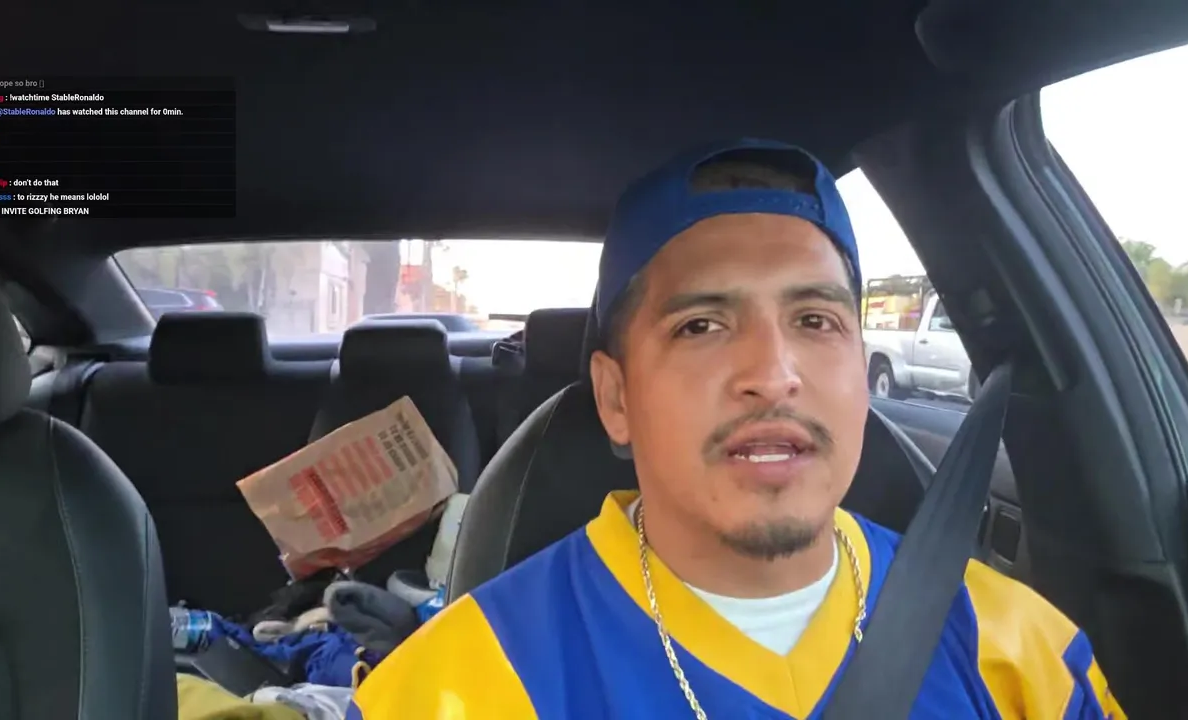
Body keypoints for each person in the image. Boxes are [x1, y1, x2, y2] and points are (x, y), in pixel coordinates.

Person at [345, 138, 1126, 718]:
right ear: (616, 399)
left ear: (862, 371)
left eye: (815, 320)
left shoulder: (1020, 654)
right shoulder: (454, 687)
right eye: (702, 326)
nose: (774, 372)